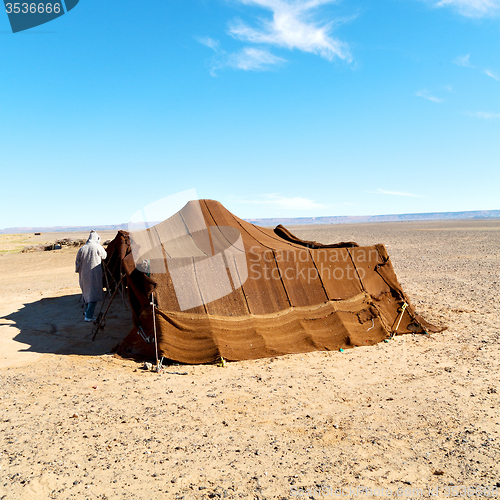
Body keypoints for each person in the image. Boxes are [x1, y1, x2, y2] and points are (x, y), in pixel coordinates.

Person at [75, 230, 107, 322]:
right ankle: (89, 316)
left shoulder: (82, 248)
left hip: (84, 274)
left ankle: (86, 311)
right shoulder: (98, 247)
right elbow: (104, 256)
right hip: (94, 274)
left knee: (86, 293)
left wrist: (78, 270)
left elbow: (77, 262)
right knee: (93, 294)